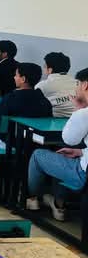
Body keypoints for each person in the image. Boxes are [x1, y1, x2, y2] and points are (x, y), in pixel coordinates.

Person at [26, 67, 88, 221]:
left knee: (38, 155)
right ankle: (58, 204)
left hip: (83, 175)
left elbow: (69, 139)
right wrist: (81, 152)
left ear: (85, 85)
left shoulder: (84, 114)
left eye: (77, 84)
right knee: (61, 156)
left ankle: (32, 199)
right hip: (84, 164)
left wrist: (78, 110)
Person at [0, 63, 52, 151]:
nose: (14, 77)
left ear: (23, 79)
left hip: (8, 143)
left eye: (16, 75)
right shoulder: (45, 101)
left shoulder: (10, 99)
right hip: (32, 145)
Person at [36, 52, 77, 118]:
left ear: (50, 70)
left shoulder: (42, 85)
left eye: (45, 66)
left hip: (53, 121)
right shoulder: (78, 82)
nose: (43, 69)